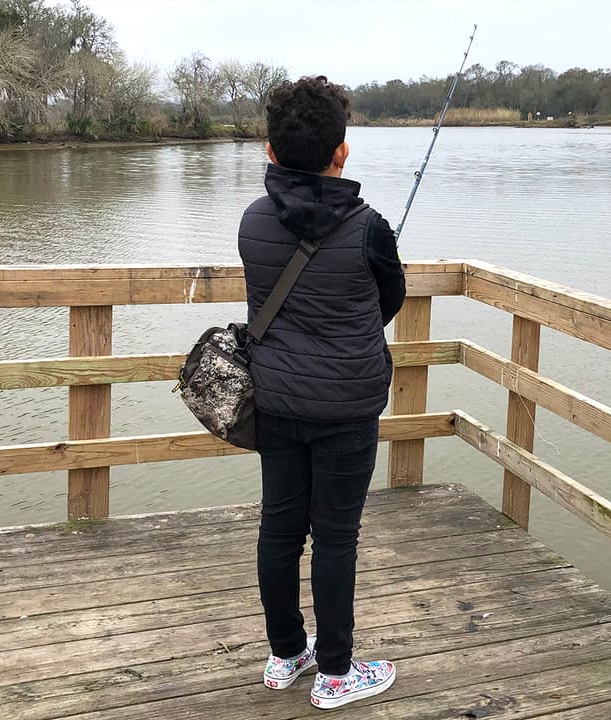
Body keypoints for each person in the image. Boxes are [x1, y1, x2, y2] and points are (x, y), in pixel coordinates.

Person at [238, 75, 405, 710]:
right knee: (336, 536)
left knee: (279, 529)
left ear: (272, 153)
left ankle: (286, 655)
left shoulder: (253, 220)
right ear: (342, 151)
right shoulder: (370, 228)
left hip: (276, 400)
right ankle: (336, 673)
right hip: (347, 408)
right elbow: (388, 300)